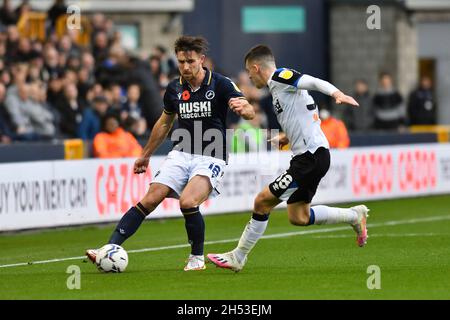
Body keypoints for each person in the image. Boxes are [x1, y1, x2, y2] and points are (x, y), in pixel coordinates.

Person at [86, 36, 255, 271]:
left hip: (212, 154)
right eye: (181, 61)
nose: (185, 67)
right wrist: (145, 154)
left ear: (201, 60)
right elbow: (164, 123)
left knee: (187, 201)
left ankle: (196, 258)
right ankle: (108, 248)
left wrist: (244, 109)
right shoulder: (174, 88)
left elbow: (248, 109)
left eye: (190, 61)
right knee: (150, 198)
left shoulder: (221, 84)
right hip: (182, 152)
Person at [207, 45, 369, 272]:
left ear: (255, 67)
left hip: (310, 158)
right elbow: (305, 115)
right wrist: (288, 137)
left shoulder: (281, 76)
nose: (249, 77)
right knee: (299, 216)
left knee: (262, 201)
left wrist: (336, 94)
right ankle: (354, 215)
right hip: (311, 156)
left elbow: (312, 81)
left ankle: (239, 256)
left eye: (249, 71)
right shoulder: (278, 89)